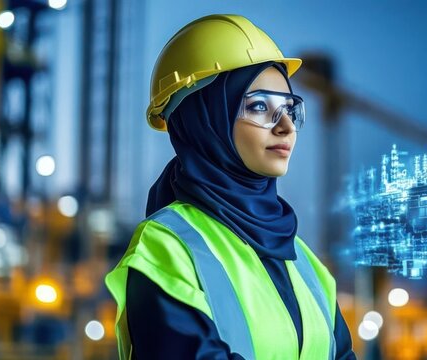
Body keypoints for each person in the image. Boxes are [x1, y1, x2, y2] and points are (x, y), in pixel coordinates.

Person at [105, 14, 356, 359]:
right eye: (258, 106)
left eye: (289, 109)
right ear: (205, 119)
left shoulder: (305, 261)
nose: (286, 127)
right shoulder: (166, 247)